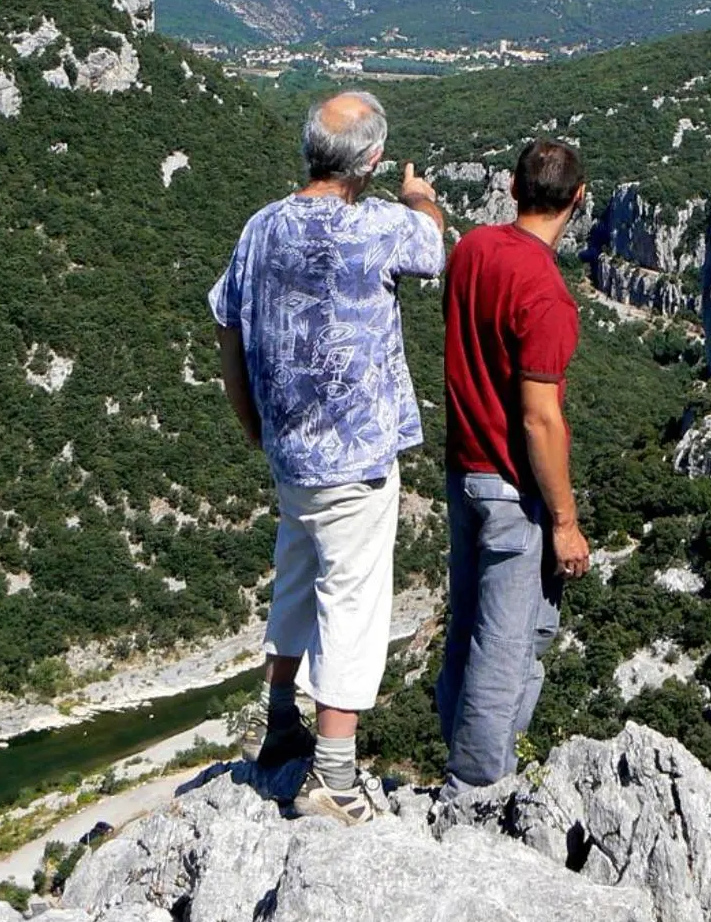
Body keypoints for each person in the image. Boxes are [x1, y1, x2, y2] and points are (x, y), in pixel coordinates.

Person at [210, 90, 445, 825]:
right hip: (356, 459)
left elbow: (227, 325)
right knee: (353, 606)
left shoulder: (261, 228)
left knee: (295, 583)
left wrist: (253, 425)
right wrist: (421, 198)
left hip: (289, 454)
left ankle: (280, 727)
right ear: (370, 161)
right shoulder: (378, 224)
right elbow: (435, 250)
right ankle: (334, 779)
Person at [435, 138, 590, 810]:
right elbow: (540, 420)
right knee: (506, 648)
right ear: (578, 201)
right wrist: (565, 522)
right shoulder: (548, 294)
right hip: (512, 493)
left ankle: (459, 762)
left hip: (462, 474)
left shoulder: (471, 251)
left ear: (509, 185)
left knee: (467, 634)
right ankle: (476, 791)